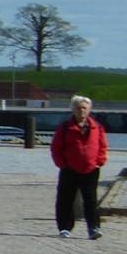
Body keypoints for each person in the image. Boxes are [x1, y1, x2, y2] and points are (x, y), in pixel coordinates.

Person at [50, 94, 108, 239]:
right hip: (69, 168)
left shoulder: (97, 127)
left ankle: (93, 228)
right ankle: (65, 227)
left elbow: (103, 146)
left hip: (90, 168)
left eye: (84, 108)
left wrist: (99, 161)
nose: (81, 111)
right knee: (65, 199)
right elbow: (56, 147)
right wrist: (62, 164)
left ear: (89, 110)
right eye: (78, 108)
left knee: (91, 200)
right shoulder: (64, 128)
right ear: (73, 109)